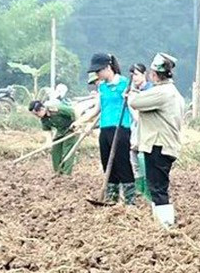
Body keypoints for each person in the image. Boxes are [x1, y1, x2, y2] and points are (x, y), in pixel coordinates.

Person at [127, 52, 186, 229]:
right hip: (164, 146)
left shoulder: (162, 93)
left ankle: (165, 226)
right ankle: (160, 225)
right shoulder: (173, 93)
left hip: (159, 146)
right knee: (157, 188)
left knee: (158, 189)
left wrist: (131, 93)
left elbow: (136, 102)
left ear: (154, 75)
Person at [87, 52, 140, 207]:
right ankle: (112, 198)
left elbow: (133, 107)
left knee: (122, 163)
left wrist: (140, 123)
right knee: (107, 164)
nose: (97, 74)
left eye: (98, 71)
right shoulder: (102, 87)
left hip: (121, 129)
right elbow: (97, 109)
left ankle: (130, 201)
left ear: (108, 67)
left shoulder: (125, 84)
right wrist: (81, 121)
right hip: (105, 129)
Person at [30, 87, 80, 177]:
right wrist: (48, 142)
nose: (37, 116)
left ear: (42, 109)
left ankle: (66, 174)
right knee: (55, 150)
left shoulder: (57, 109)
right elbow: (47, 131)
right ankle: (58, 172)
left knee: (68, 150)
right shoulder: (43, 119)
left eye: (37, 114)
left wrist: (77, 124)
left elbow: (74, 112)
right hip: (60, 132)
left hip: (71, 129)